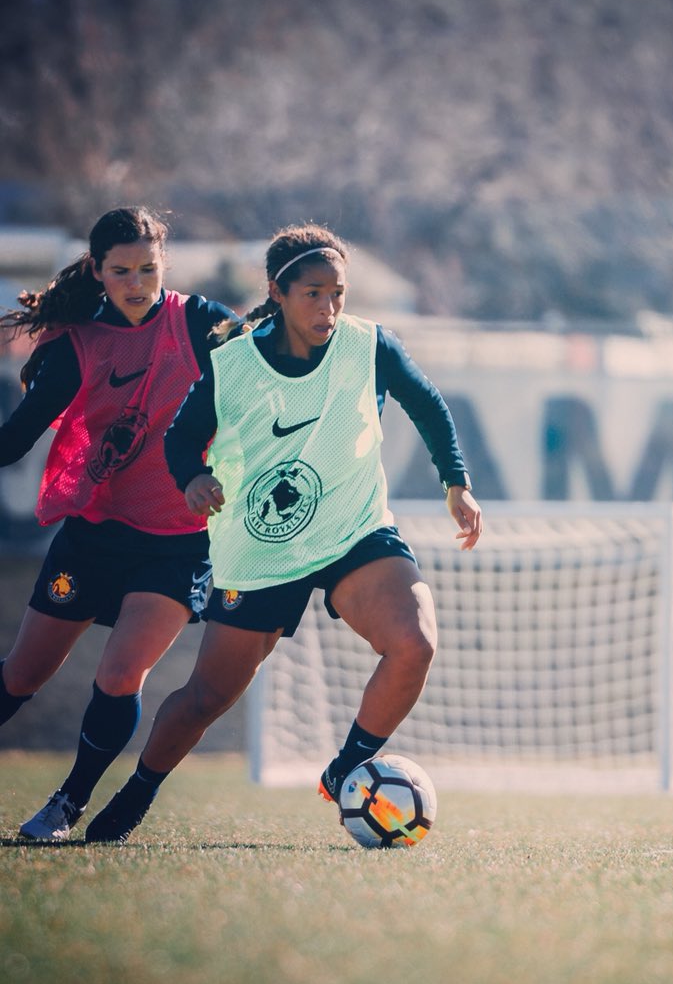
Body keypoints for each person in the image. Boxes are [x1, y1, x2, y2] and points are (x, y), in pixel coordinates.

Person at [84, 222, 482, 843]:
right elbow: (181, 438)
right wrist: (192, 479)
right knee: (206, 698)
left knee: (415, 643)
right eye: (313, 293)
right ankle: (137, 792)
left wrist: (455, 481)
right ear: (278, 290)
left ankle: (348, 765)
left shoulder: (370, 344)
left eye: (338, 294)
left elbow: (428, 404)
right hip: (262, 547)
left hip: (354, 531)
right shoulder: (232, 363)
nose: (328, 308)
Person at [0, 206, 240, 840]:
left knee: (119, 674)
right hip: (94, 537)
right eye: (122, 271)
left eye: (149, 269)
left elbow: (272, 384)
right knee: (22, 675)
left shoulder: (206, 325)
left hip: (179, 545)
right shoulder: (78, 345)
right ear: (99, 271)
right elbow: (17, 438)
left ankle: (69, 803)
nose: (137, 283)